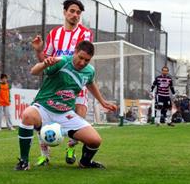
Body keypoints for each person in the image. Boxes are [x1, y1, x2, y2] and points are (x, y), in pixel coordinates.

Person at [15, 41, 117, 170]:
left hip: (65, 114)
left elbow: (90, 83)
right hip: (44, 108)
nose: (82, 63)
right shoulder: (62, 61)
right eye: (80, 57)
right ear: (75, 51)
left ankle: (85, 162)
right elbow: (34, 71)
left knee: (95, 140)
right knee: (27, 115)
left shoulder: (89, 71)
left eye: (87, 60)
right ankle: (24, 162)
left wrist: (102, 101)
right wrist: (43, 64)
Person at [31, 0, 93, 166]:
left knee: (80, 114)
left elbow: (83, 57)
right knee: (41, 120)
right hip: (54, 84)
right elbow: (46, 60)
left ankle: (71, 148)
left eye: (78, 13)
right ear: (65, 12)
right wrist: (39, 51)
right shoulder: (53, 34)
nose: (75, 15)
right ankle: (45, 155)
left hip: (75, 83)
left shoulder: (85, 34)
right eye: (72, 11)